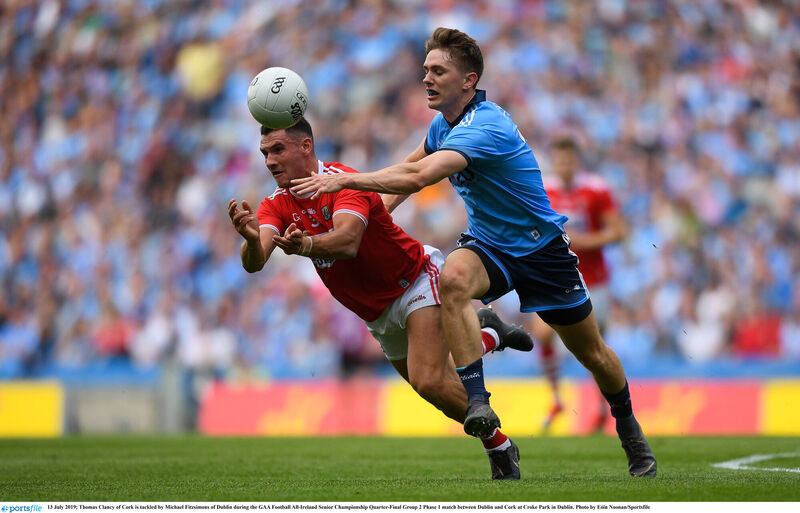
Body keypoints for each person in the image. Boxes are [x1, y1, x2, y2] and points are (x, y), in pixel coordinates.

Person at [291, 27, 657, 478]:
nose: (426, 77)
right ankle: (478, 400)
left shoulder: (486, 125)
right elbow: (407, 168)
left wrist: (343, 180)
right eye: (426, 69)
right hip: (490, 245)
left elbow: (417, 177)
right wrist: (368, 220)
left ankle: (628, 428)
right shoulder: (441, 124)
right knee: (454, 278)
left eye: (438, 70)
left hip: (542, 251)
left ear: (468, 81)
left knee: (592, 353)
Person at [228, 117, 532, 480]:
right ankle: (489, 342)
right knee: (439, 386)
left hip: (414, 280)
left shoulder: (342, 180)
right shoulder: (275, 205)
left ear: (305, 147)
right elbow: (256, 262)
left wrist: (306, 245)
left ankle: (498, 449)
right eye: (265, 153)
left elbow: (348, 242)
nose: (270, 160)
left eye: (278, 149)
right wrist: (249, 240)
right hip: (375, 313)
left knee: (428, 379)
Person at [534, 136, 628, 433]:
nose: (565, 165)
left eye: (569, 159)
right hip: (557, 277)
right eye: (560, 159)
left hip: (593, 280)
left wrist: (584, 242)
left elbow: (618, 231)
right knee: (543, 334)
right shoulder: (543, 188)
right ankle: (557, 397)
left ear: (577, 161)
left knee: (594, 348)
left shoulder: (596, 189)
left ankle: (603, 406)